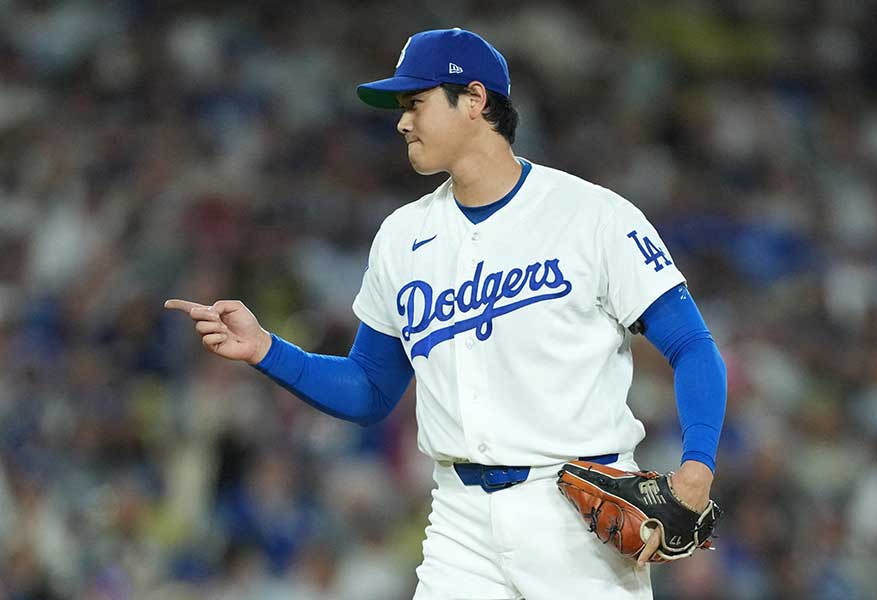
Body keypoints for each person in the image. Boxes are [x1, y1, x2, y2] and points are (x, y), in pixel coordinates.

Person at [165, 28, 727, 599]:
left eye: (416, 102)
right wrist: (267, 349)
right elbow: (368, 391)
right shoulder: (402, 237)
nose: (402, 122)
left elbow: (692, 345)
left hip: (579, 518)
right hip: (461, 522)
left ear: (475, 101)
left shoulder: (592, 216)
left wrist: (697, 466)